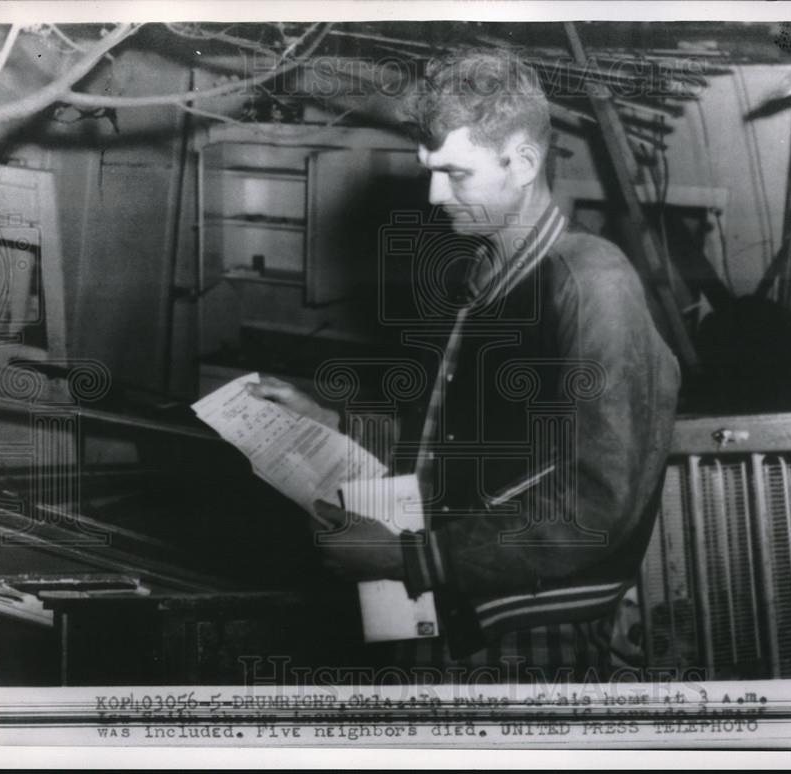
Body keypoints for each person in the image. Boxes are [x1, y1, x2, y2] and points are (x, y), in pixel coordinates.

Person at [249, 49, 680, 683]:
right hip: (446, 606)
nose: (433, 194)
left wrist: (412, 557)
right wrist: (334, 422)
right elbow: (454, 444)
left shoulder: (593, 285)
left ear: (525, 162)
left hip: (523, 639)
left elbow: (596, 505)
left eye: (456, 173)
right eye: (428, 169)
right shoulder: (483, 274)